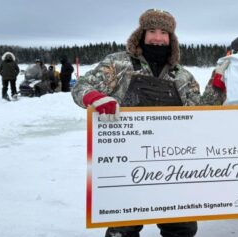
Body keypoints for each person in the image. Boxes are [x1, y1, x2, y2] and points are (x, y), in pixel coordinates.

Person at [71, 9, 202, 237]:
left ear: (171, 39)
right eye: (152, 31)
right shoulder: (119, 64)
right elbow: (81, 87)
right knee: (123, 229)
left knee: (183, 229)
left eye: (164, 32)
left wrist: (219, 88)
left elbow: (200, 116)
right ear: (141, 34)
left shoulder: (183, 76)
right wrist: (96, 98)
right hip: (127, 167)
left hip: (173, 167)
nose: (158, 37)